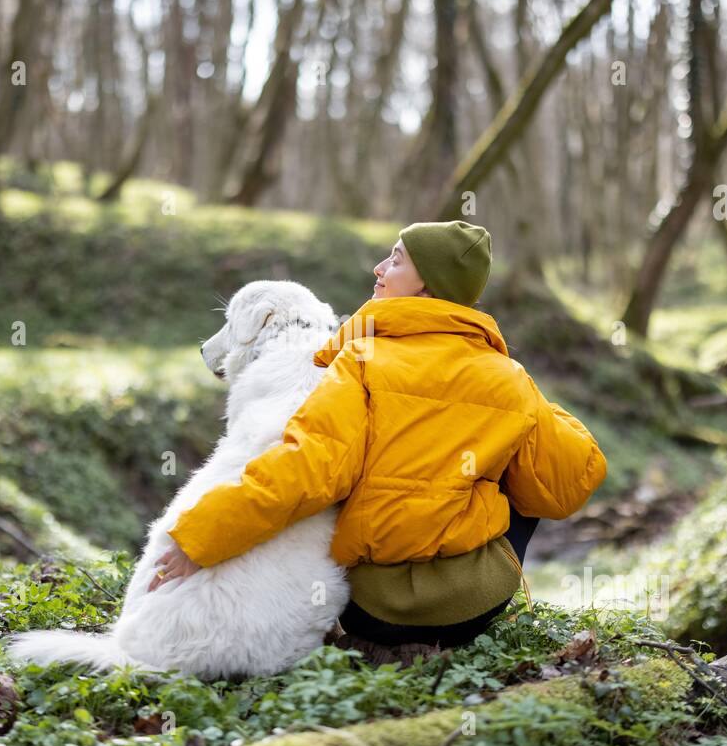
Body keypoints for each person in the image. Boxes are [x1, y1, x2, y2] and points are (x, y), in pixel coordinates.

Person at [152, 219, 607, 652]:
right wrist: (525, 398)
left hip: (369, 606)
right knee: (522, 473)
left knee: (350, 461)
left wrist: (202, 538)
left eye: (395, 260)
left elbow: (304, 468)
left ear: (427, 283)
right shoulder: (508, 378)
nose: (379, 268)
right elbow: (566, 486)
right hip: (470, 608)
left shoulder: (361, 359)